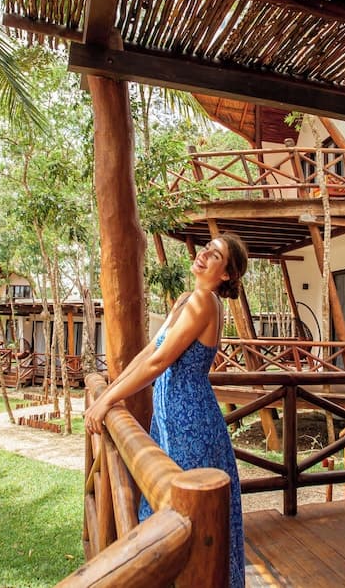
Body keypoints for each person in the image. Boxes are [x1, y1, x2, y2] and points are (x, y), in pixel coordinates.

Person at [84, 233, 248, 587]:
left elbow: (159, 362)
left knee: (184, 513)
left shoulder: (204, 301)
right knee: (168, 506)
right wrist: (109, 392)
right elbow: (148, 352)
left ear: (225, 274)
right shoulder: (187, 299)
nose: (204, 254)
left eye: (215, 255)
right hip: (170, 417)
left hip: (191, 422)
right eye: (206, 248)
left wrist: (107, 401)